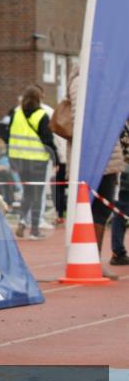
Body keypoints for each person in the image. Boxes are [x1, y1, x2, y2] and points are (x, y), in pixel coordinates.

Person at [67, 63, 125, 272]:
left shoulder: (97, 80)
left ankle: (93, 260)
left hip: (105, 154)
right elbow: (81, 119)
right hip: (96, 155)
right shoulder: (83, 82)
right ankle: (91, 262)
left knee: (101, 208)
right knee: (95, 209)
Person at [7, 85, 56, 239]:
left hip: (19, 159)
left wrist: (11, 159)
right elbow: (47, 140)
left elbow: (9, 135)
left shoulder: (16, 113)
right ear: (39, 98)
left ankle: (22, 221)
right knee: (37, 194)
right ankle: (34, 229)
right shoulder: (42, 115)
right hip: (37, 160)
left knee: (27, 192)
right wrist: (55, 158)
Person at [110, 165, 129, 266]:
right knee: (120, 216)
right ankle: (118, 252)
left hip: (122, 180)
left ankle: (118, 252)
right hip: (124, 182)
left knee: (120, 216)